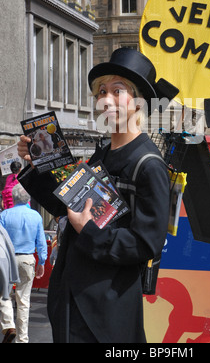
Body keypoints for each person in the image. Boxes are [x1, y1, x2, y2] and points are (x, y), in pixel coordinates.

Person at [17, 47, 179, 343]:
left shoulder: (148, 164)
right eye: (101, 92)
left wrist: (88, 231)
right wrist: (36, 164)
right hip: (71, 299)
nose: (106, 100)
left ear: (139, 101)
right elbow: (67, 205)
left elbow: (146, 244)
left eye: (117, 91)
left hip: (106, 313)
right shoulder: (101, 154)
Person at [0, 184, 48, 344]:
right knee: (24, 300)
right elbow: (41, 242)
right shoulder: (36, 216)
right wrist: (42, 261)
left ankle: (8, 324)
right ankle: (23, 339)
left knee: (4, 295)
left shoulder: (5, 215)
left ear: (13, 198)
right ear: (28, 199)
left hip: (7, 259)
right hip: (27, 259)